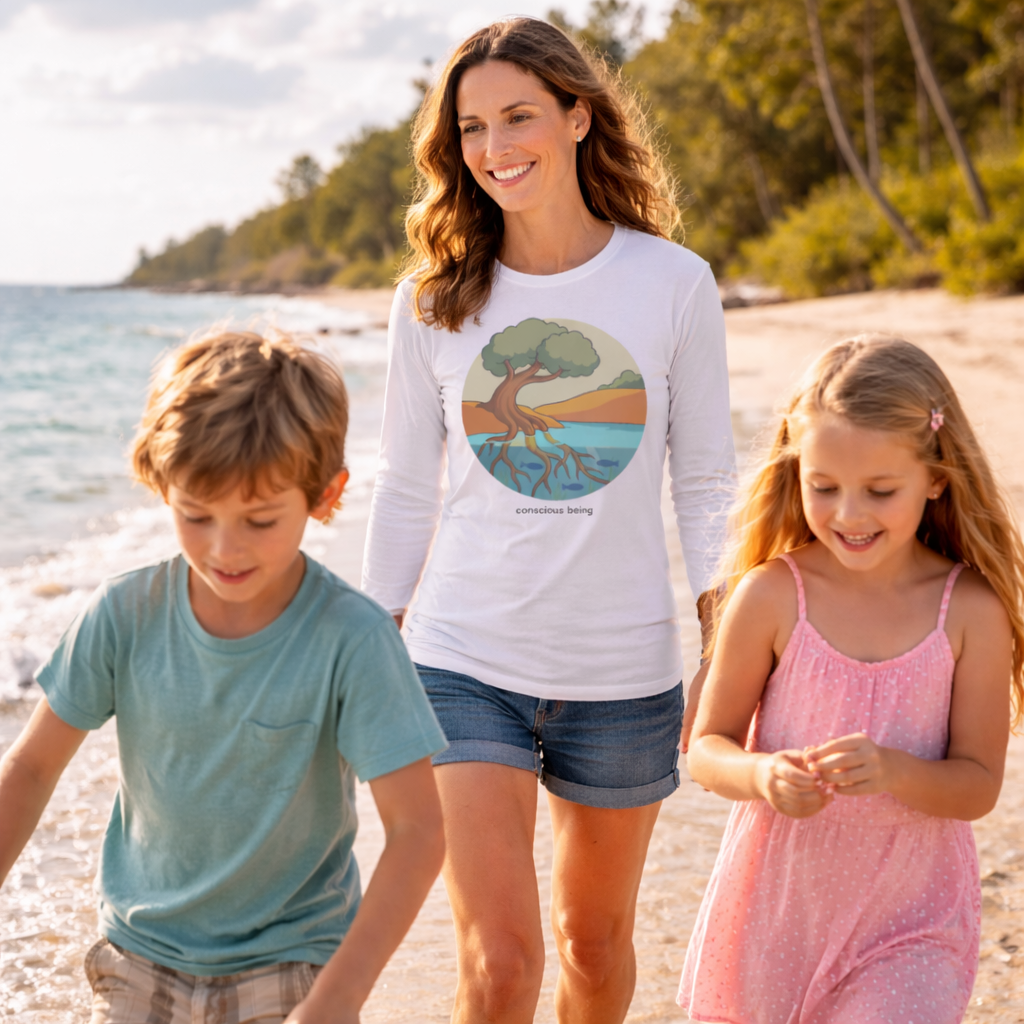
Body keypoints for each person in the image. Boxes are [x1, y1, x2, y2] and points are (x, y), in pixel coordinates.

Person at [361, 17, 735, 1024]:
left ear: (576, 117)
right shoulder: (433, 302)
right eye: (471, 127)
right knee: (503, 963)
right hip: (461, 658)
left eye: (518, 115)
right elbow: (403, 485)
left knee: (594, 946)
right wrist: (361, 637)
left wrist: (725, 627)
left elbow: (705, 480)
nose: (494, 147)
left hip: (624, 673)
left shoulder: (671, 282)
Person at [0, 330, 448, 1024]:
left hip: (295, 961)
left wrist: (338, 997)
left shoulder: (352, 639)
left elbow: (418, 831)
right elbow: (29, 771)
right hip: (140, 953)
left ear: (325, 497)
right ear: (160, 482)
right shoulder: (123, 614)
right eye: (195, 514)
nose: (224, 548)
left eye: (260, 520)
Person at [679, 336, 1024, 1023]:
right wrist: (764, 776)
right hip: (773, 922)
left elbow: (978, 785)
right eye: (824, 487)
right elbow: (707, 748)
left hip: (912, 925)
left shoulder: (970, 613)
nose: (849, 515)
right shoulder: (772, 596)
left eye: (880, 490)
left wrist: (895, 770)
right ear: (796, 470)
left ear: (936, 476)